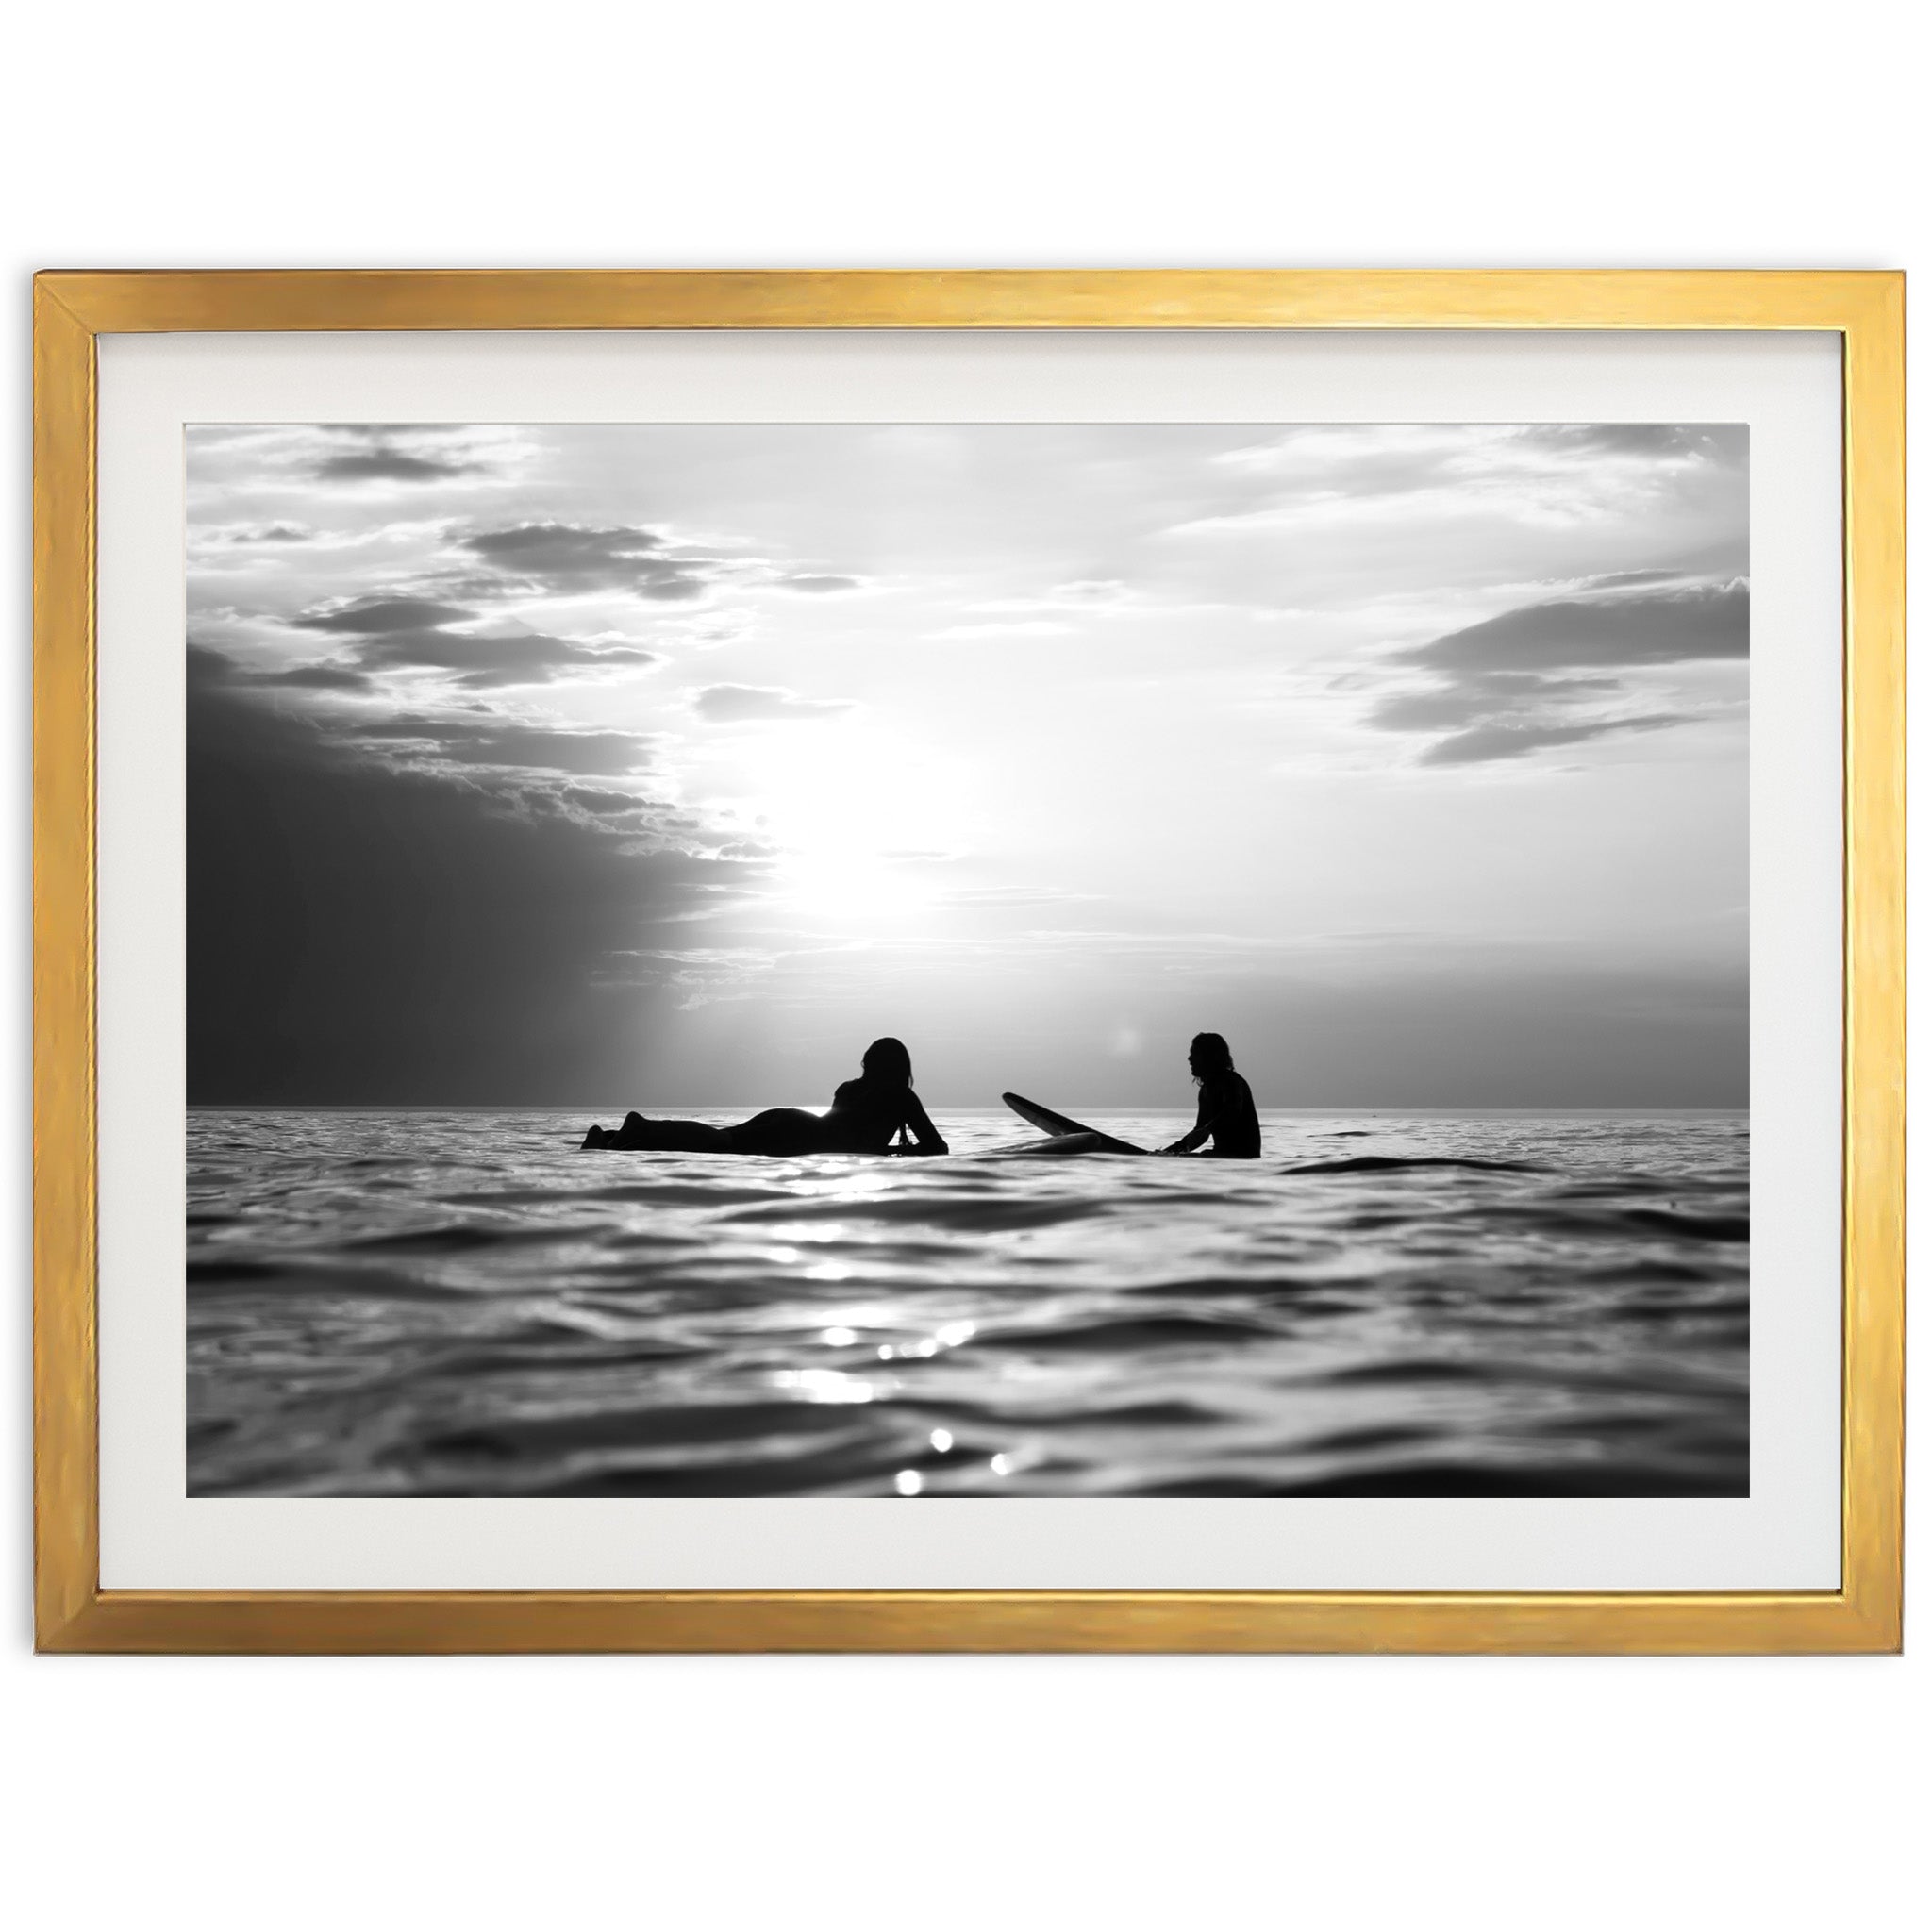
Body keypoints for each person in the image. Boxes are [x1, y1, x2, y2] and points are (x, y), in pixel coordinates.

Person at [581, 1037, 949, 1157]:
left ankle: (615, 1139)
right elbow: (938, 1148)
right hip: (802, 1134)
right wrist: (892, 1153)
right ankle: (644, 1127)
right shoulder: (900, 1096)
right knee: (722, 1144)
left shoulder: (849, 1088)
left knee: (723, 1138)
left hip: (792, 1120)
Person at [1158, 1032, 1261, 1158]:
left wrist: (1208, 1129)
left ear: (1209, 1056)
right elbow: (1199, 1133)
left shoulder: (1231, 1082)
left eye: (1195, 1053)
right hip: (1221, 1156)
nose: (1189, 1059)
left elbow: (1233, 1110)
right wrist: (1168, 1153)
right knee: (1195, 1155)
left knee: (1203, 1155)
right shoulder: (1206, 1090)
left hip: (1244, 1157)